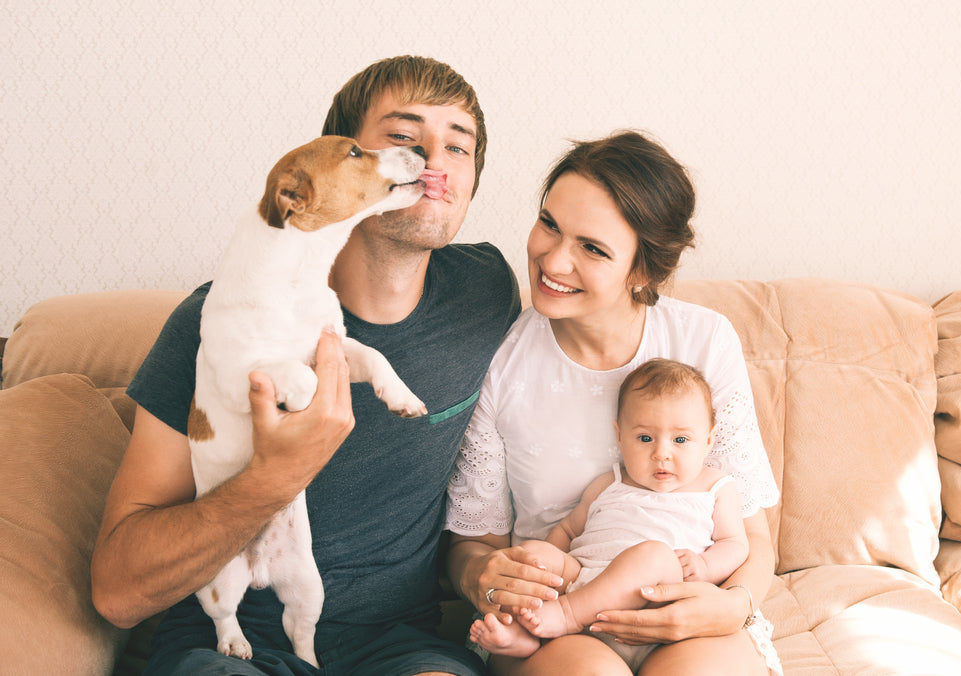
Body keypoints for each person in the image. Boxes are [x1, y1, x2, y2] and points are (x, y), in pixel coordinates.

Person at [91, 55, 521, 676]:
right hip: (231, 647)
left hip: (403, 648)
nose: (433, 159)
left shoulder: (486, 292)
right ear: (337, 158)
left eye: (459, 147)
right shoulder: (216, 326)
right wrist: (272, 477)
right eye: (404, 137)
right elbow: (116, 591)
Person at [446, 130, 783, 675]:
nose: (553, 261)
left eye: (593, 248)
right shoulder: (500, 357)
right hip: (557, 617)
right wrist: (483, 577)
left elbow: (754, 538)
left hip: (690, 607)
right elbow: (473, 544)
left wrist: (730, 606)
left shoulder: (704, 342)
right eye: (549, 224)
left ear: (643, 271)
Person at [468, 358, 754, 674]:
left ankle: (565, 615)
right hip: (586, 581)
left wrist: (705, 565)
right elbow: (568, 528)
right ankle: (521, 633)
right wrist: (548, 562)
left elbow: (735, 543)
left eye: (680, 440)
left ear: (710, 439)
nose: (661, 453)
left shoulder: (714, 486)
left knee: (654, 555)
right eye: (645, 438)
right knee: (531, 555)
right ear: (620, 436)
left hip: (655, 599)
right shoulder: (609, 483)